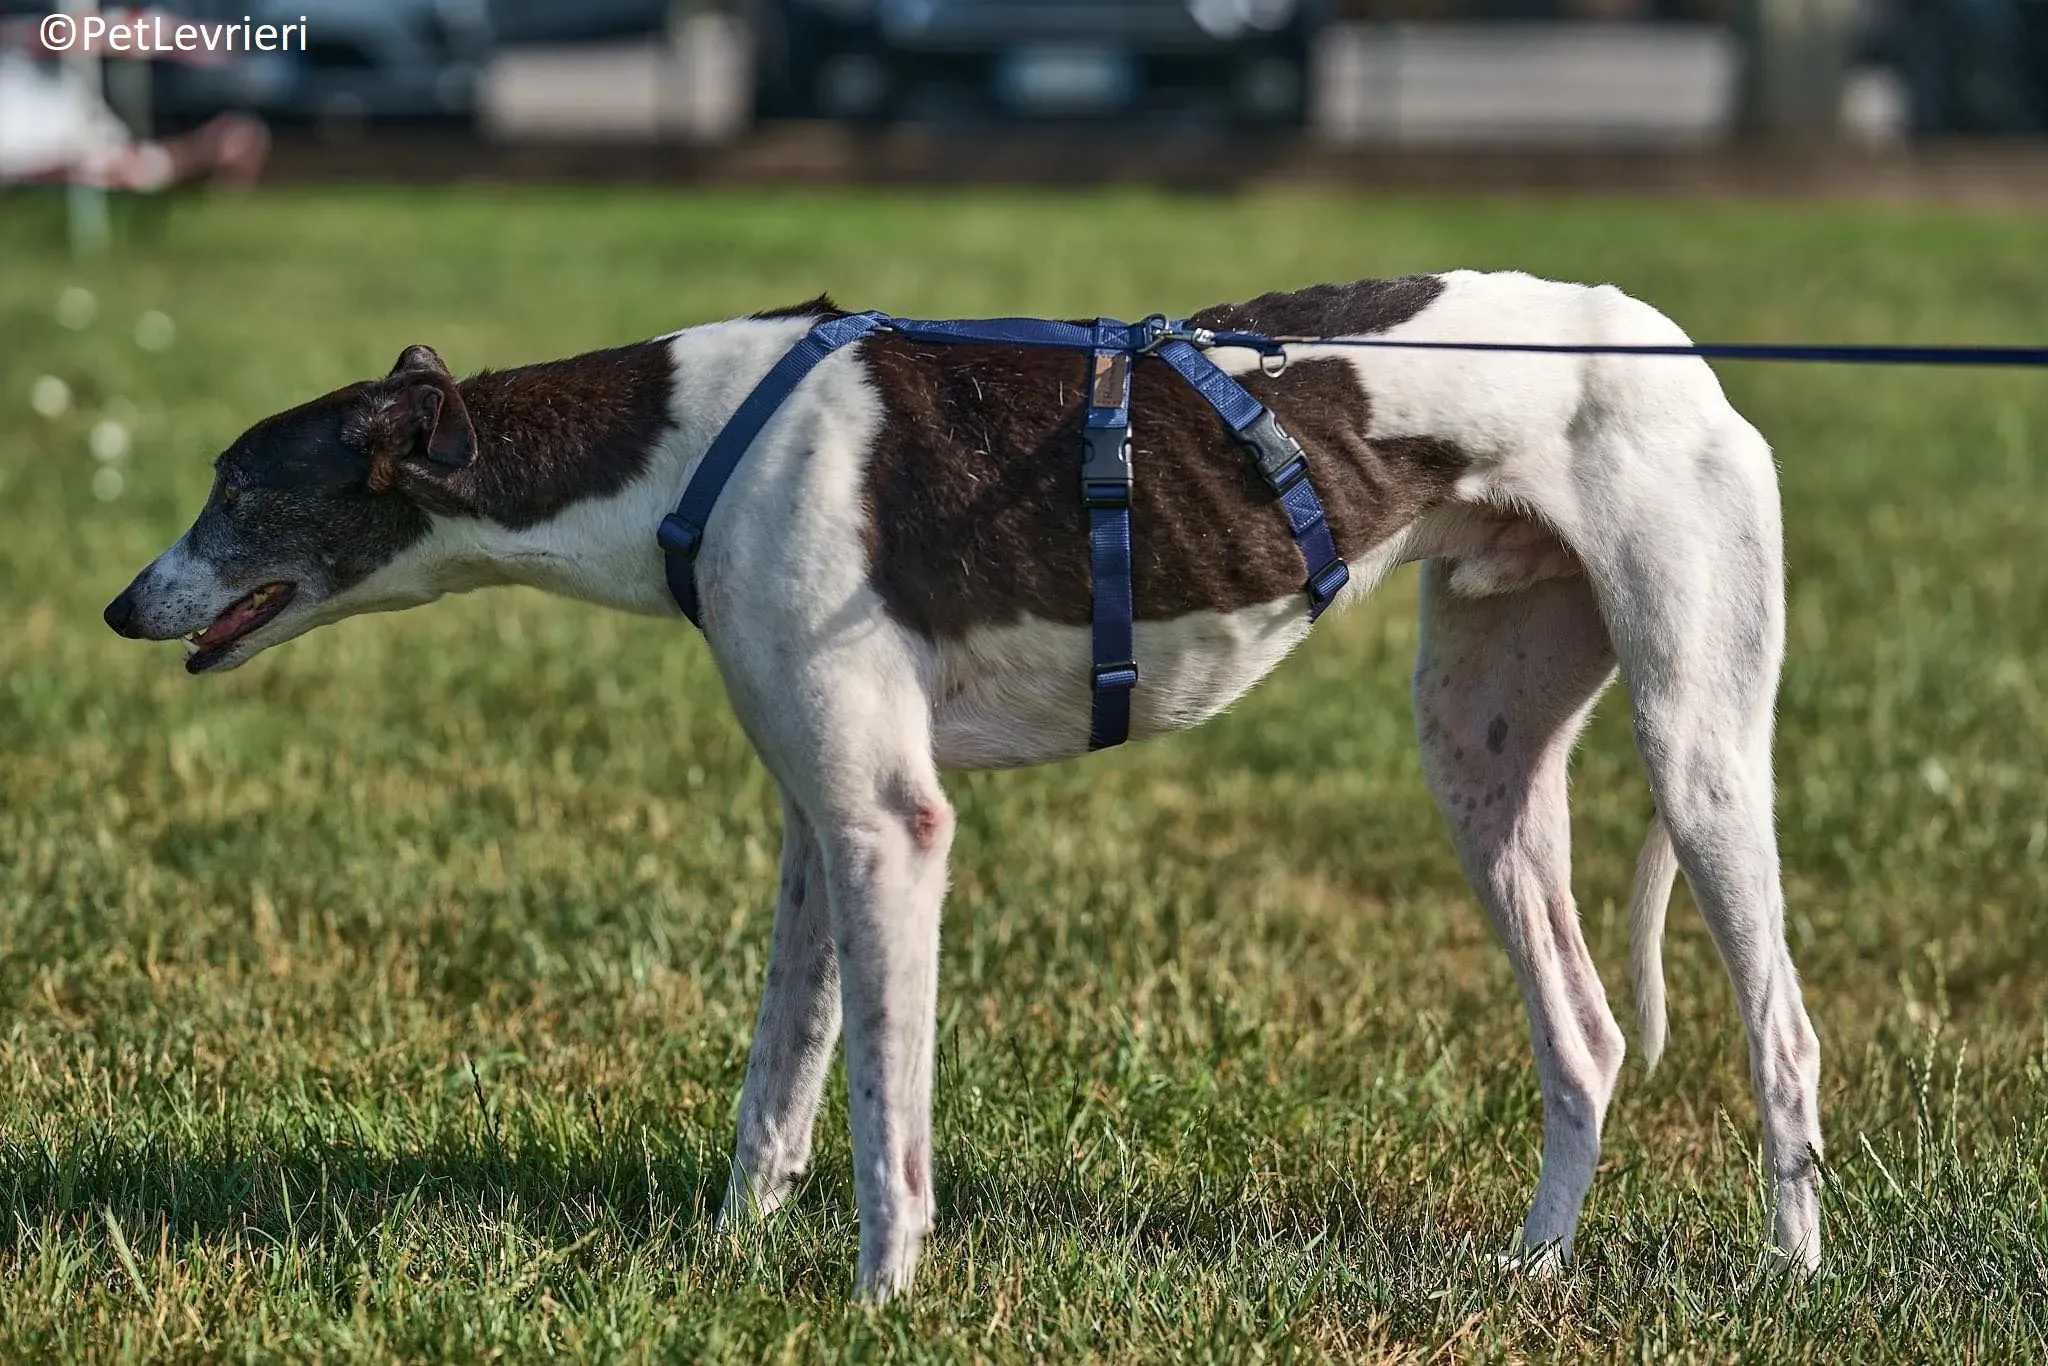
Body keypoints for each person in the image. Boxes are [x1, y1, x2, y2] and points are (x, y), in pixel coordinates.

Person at [0, 4, 267, 189]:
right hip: (66, 134)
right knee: (127, 168)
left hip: (55, 80)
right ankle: (221, 146)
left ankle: (215, 40)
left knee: (73, 33)